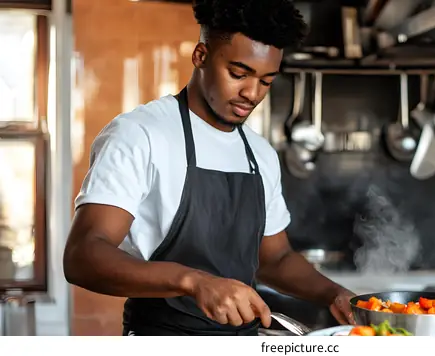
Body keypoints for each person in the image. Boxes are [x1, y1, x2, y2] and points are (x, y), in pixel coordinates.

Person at [63, 0, 356, 336]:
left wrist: (334, 294)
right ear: (200, 56)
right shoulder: (140, 134)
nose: (251, 93)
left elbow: (275, 259)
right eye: (239, 74)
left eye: (266, 81)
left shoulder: (259, 153)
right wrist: (193, 282)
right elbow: (83, 255)